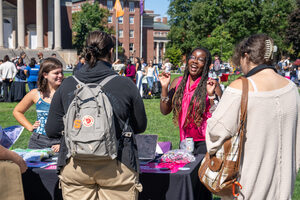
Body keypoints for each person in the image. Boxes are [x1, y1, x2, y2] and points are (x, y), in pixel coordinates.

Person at [45, 30, 147, 200]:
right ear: (111, 52)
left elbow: (52, 130)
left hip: (75, 163)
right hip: (117, 165)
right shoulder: (125, 84)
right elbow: (140, 126)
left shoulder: (68, 84)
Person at [205, 34, 300, 199]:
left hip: (247, 188)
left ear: (246, 56)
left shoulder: (240, 89)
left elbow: (215, 135)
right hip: (283, 188)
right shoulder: (292, 88)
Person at [159, 47, 222, 155]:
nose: (195, 61)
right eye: (192, 57)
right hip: (185, 141)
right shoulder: (177, 83)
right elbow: (165, 110)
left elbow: (220, 116)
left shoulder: (211, 85)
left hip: (205, 142)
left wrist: (211, 96)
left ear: (206, 65)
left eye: (200, 60)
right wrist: (164, 88)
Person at [13, 58, 63, 152]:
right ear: (45, 75)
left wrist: (65, 142)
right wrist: (30, 127)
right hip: (38, 141)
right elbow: (17, 111)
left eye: (61, 72)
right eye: (56, 73)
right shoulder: (35, 93)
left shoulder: (67, 93)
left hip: (60, 142)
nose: (60, 76)